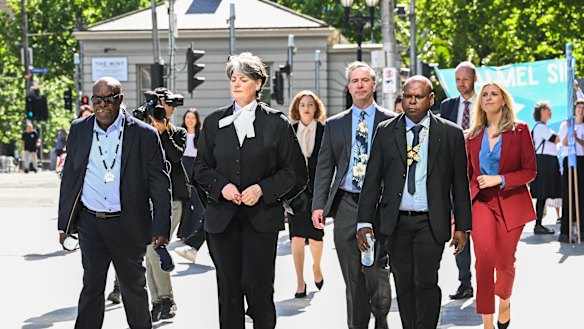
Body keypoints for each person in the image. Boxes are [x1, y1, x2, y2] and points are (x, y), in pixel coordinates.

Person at [193, 52, 301, 329]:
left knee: (259, 289)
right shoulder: (215, 122)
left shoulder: (277, 124)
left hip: (261, 220)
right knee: (228, 291)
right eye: (233, 78)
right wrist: (222, 187)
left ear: (258, 83)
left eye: (243, 79)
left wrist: (263, 189)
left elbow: (295, 172)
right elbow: (200, 169)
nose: (237, 83)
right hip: (222, 221)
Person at [356, 75, 472, 329]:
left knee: (426, 280)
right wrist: (364, 221)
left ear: (431, 99)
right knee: (404, 282)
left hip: (431, 221)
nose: (412, 102)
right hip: (395, 222)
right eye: (408, 96)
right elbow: (372, 180)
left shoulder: (450, 133)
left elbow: (460, 184)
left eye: (418, 97)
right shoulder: (386, 131)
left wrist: (463, 226)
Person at [57, 76, 172, 329]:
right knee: (91, 288)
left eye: (108, 99)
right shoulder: (79, 129)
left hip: (127, 223)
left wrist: (161, 228)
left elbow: (160, 185)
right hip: (91, 223)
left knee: (133, 288)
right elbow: (71, 179)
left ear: (120, 99)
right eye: (97, 100)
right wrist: (64, 224)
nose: (102, 105)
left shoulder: (144, 135)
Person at [312, 61, 394, 329]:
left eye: (365, 80)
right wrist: (318, 206)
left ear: (374, 84)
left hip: (380, 206)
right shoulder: (335, 124)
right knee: (353, 276)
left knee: (376, 271)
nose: (360, 85)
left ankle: (381, 316)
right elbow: (324, 167)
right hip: (347, 203)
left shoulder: (391, 122)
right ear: (349, 87)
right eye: (355, 81)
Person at [465, 81, 536, 329]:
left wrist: (501, 179)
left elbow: (530, 171)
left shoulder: (520, 130)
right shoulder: (472, 136)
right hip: (481, 203)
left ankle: (504, 301)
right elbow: (467, 176)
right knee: (484, 260)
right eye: (484, 94)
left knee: (505, 263)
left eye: (494, 94)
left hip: (511, 202)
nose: (488, 98)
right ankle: (487, 323)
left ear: (503, 100)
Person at [143, 86, 190, 321]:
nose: (165, 108)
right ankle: (157, 302)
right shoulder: (140, 128)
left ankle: (167, 299)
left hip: (173, 199)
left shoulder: (178, 132)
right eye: (160, 104)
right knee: (148, 253)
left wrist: (162, 131)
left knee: (154, 248)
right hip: (147, 199)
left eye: (167, 105)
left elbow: (175, 156)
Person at [439, 61, 478, 300]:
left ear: (474, 79)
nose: (461, 84)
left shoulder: (485, 102)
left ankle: (484, 278)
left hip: (480, 176)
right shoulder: (448, 106)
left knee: (481, 232)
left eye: (465, 79)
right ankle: (465, 282)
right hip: (454, 176)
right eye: (457, 80)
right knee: (459, 229)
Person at [288, 90, 326, 298]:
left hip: (317, 190)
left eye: (310, 104)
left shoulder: (324, 130)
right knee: (296, 236)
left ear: (315, 107)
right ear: (297, 108)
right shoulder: (290, 130)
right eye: (302, 104)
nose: (306, 108)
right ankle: (300, 281)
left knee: (316, 238)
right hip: (295, 192)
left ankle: (317, 267)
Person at [175, 108, 205, 263]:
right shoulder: (180, 134)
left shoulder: (201, 135)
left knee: (198, 202)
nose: (190, 120)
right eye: (187, 117)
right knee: (187, 202)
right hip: (184, 165)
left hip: (196, 166)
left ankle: (194, 232)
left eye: (193, 118)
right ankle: (184, 232)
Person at [530, 100, 560, 234]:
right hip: (544, 162)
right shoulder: (541, 127)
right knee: (543, 194)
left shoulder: (542, 127)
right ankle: (538, 224)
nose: (551, 112)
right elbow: (555, 139)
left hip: (546, 162)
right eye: (548, 109)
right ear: (542, 111)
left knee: (544, 194)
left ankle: (539, 224)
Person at [558, 99, 584, 243]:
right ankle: (565, 231)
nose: (581, 110)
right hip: (570, 160)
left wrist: (577, 138)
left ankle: (581, 230)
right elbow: (564, 143)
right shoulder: (566, 124)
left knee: (581, 195)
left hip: (581, 159)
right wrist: (570, 132)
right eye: (579, 107)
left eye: (583, 107)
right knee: (568, 196)